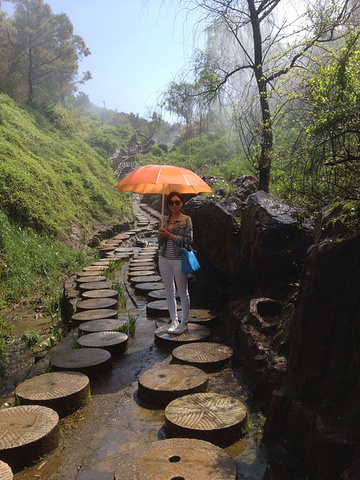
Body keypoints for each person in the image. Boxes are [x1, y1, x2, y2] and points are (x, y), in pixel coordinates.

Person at [158, 192, 193, 335]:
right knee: (169, 292)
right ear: (168, 205)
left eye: (177, 202)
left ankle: (184, 322)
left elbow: (188, 241)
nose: (174, 205)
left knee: (183, 293)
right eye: (171, 202)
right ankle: (174, 320)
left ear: (182, 203)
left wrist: (170, 235)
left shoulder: (186, 220)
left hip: (179, 259)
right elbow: (160, 242)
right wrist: (160, 236)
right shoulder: (164, 220)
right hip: (164, 259)